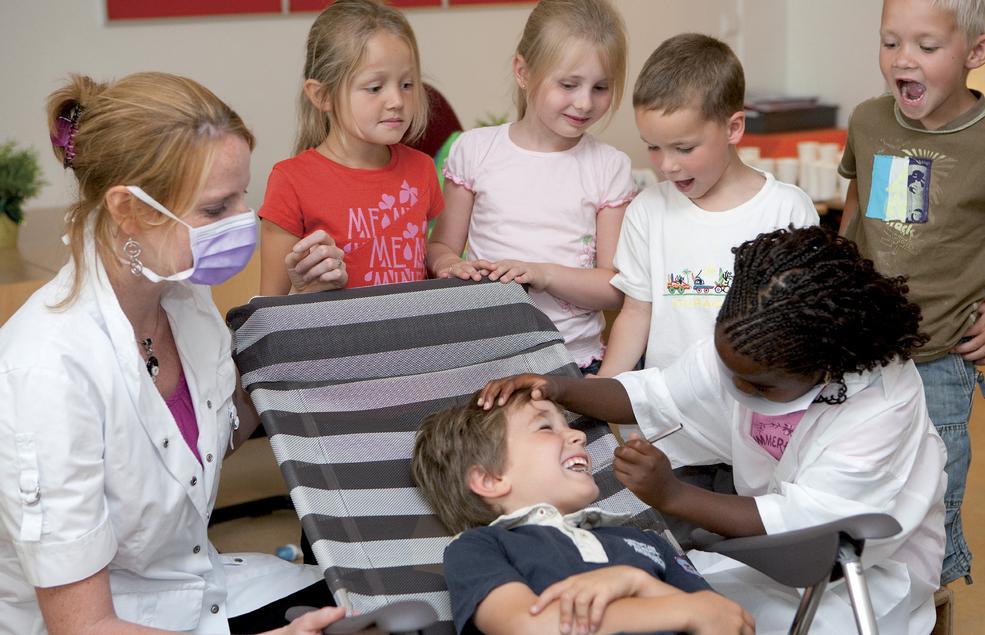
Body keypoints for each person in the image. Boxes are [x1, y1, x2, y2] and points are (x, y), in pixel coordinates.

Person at [0, 72, 347, 634]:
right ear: (127, 210)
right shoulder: (47, 371)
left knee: (382, 603)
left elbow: (207, 444)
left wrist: (293, 313)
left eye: (243, 196)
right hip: (111, 622)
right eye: (215, 209)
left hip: (189, 587)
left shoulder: (181, 298)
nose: (243, 220)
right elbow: (83, 627)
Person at [479, 227, 948, 634]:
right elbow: (657, 394)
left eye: (758, 384)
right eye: (729, 370)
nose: (736, 386)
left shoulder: (880, 406)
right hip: (764, 554)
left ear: (825, 368)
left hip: (862, 570)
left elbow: (813, 525)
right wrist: (559, 388)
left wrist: (673, 497)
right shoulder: (748, 339)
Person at [838, 0, 985, 585]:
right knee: (854, 478)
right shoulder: (868, 121)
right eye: (890, 42)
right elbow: (856, 205)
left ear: (975, 53)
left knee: (932, 500)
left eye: (926, 46)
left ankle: (934, 604)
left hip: (941, 359)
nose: (902, 60)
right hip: (859, 347)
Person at [410, 390, 755, 635]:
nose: (577, 434)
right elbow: (527, 626)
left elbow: (730, 620)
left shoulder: (644, 540)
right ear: (490, 479)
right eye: (545, 427)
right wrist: (681, 610)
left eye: (568, 424)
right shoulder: (479, 547)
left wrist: (635, 581)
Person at [426, 0, 634, 374]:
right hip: (486, 356)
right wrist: (451, 267)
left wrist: (544, 274)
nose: (585, 102)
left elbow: (614, 289)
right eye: (569, 84)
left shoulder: (609, 167)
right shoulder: (475, 150)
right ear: (523, 71)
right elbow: (440, 247)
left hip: (572, 360)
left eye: (601, 87)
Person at [597, 34, 818, 378]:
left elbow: (798, 322)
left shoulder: (786, 211)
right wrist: (606, 386)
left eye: (683, 148)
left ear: (733, 128)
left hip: (753, 413)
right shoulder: (648, 211)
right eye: (653, 147)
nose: (666, 165)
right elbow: (636, 313)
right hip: (670, 419)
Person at [259, 0, 444, 295]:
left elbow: (430, 254)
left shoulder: (422, 169)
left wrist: (445, 259)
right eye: (375, 87)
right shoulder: (290, 181)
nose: (397, 100)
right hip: (331, 340)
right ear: (322, 96)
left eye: (407, 84)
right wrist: (310, 291)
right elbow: (267, 312)